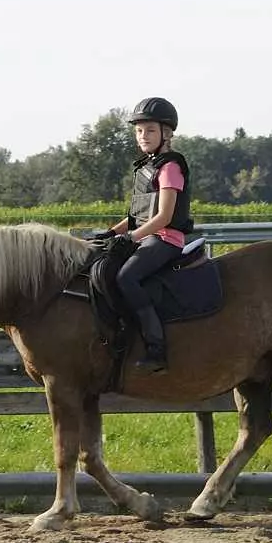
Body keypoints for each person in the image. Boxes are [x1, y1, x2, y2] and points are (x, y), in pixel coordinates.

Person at [104, 96, 197, 373]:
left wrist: (131, 238)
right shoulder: (146, 167)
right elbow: (136, 217)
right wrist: (109, 233)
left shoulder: (170, 167)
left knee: (127, 277)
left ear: (166, 133)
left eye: (150, 130)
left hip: (165, 239)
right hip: (146, 236)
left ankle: (157, 349)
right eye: (139, 131)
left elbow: (164, 217)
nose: (143, 136)